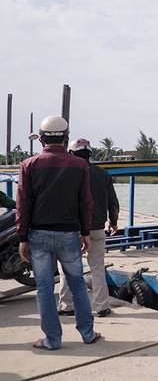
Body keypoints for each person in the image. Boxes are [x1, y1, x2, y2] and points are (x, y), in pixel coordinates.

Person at [16, 115, 101, 350]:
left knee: (44, 287)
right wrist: (85, 232)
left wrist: (22, 237)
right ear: (66, 138)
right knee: (77, 284)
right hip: (69, 234)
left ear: (41, 138)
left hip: (39, 234)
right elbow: (86, 202)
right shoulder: (80, 165)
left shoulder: (29, 165)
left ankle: (52, 340)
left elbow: (23, 204)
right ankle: (88, 333)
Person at [58, 138, 119, 318]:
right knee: (97, 268)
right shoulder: (102, 174)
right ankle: (102, 307)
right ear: (90, 154)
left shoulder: (66, 174)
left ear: (71, 153)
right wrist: (113, 222)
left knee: (67, 268)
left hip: (72, 229)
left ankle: (66, 305)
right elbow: (113, 202)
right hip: (97, 228)